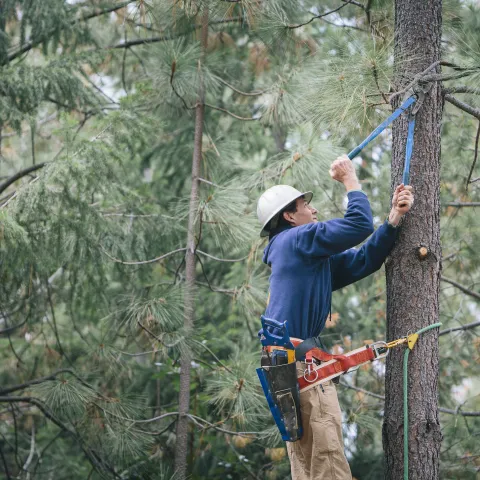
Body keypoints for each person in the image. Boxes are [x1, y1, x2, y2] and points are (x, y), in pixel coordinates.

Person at [256, 154, 414, 480]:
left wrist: (394, 220)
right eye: (305, 206)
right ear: (288, 216)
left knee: (311, 467)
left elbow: (363, 260)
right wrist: (350, 179)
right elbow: (357, 225)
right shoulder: (294, 240)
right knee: (328, 466)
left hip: (288, 367)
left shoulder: (303, 257)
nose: (313, 210)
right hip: (302, 368)